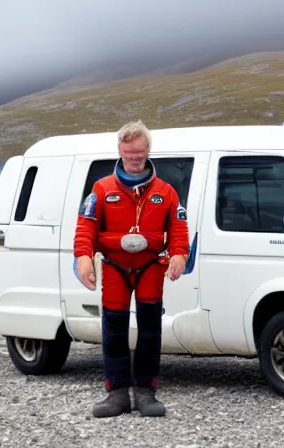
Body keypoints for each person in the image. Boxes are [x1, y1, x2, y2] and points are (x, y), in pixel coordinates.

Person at [73, 120, 190, 418]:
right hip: (115, 266)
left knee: (150, 330)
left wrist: (179, 255)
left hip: (150, 266)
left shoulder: (166, 192)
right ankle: (117, 393)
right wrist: (83, 257)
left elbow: (178, 228)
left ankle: (146, 391)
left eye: (139, 152)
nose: (134, 158)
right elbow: (86, 226)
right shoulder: (101, 189)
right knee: (113, 329)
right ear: (120, 151)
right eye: (128, 153)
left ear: (148, 150)